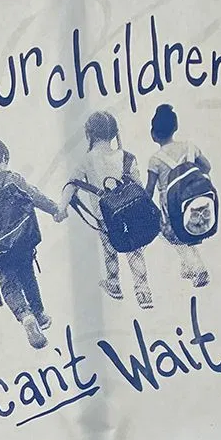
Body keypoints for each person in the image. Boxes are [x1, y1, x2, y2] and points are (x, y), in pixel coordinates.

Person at [0, 139, 67, 349]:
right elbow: (34, 196)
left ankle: (25, 317)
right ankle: (39, 313)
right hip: (22, 240)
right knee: (27, 274)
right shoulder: (10, 178)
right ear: (3, 159)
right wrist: (56, 210)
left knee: (9, 284)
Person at [65, 111, 156, 308]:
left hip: (104, 217)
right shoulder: (127, 157)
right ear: (114, 133)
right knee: (135, 250)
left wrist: (62, 208)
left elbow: (71, 184)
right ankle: (143, 292)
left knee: (109, 249)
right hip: (131, 214)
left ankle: (114, 284)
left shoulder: (87, 160)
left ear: (89, 134)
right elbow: (138, 186)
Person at [144, 103, 215, 287]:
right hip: (198, 207)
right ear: (175, 127)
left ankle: (199, 271)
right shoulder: (190, 147)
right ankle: (187, 266)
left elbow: (150, 190)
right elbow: (207, 167)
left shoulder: (155, 160)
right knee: (184, 233)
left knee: (167, 233)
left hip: (173, 213)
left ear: (154, 134)